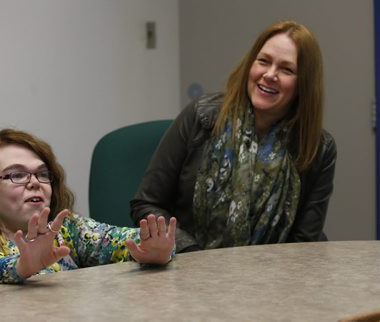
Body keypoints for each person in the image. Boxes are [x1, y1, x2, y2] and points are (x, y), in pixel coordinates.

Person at [131, 20, 337, 253]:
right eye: (263, 61)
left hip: (274, 281)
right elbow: (146, 204)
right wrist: (193, 255)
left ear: (304, 85)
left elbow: (305, 244)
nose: (270, 75)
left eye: (286, 69)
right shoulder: (201, 116)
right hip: (189, 272)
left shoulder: (318, 148)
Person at [0, 129, 176, 289]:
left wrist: (153, 249)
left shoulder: (65, 228)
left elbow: (119, 241)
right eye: (16, 174)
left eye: (42, 174)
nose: (35, 182)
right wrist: (18, 266)